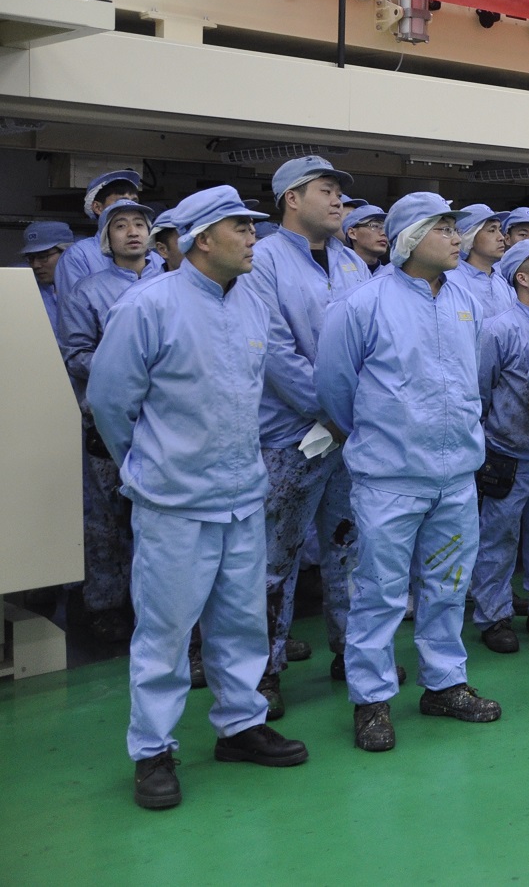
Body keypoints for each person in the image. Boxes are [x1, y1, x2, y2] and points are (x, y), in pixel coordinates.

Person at [87, 185, 307, 810]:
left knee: (242, 622)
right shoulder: (148, 306)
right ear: (202, 239)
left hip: (242, 494)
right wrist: (150, 467)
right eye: (241, 227)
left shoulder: (252, 304)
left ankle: (240, 726)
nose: (254, 237)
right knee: (165, 632)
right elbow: (109, 402)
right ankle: (152, 750)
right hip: (175, 502)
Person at [315, 192, 503, 752]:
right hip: (390, 478)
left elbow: (472, 379)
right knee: (379, 592)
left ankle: (444, 683)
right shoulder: (363, 305)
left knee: (448, 585)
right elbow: (334, 388)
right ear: (409, 239)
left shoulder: (464, 300)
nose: (456, 237)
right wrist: (379, 439)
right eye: (442, 227)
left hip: (455, 474)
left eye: (454, 227)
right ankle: (371, 700)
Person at [242, 155, 370, 717]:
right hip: (289, 437)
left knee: (349, 549)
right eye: (326, 189)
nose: (338, 199)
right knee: (276, 558)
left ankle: (352, 654)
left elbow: (371, 344)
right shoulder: (264, 261)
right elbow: (274, 352)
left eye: (340, 191)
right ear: (291, 199)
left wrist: (351, 415)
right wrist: (331, 410)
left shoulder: (352, 263)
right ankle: (264, 673)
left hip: (347, 435)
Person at [60, 200, 163, 641]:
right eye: (120, 226)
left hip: (162, 420)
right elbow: (75, 355)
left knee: (160, 518)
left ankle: (155, 608)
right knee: (107, 517)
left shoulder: (172, 282)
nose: (132, 232)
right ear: (106, 238)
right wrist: (125, 366)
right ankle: (104, 604)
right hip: (106, 422)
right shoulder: (87, 291)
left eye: (140, 223)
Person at [470, 238, 529, 652]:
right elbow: (479, 390)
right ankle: (494, 616)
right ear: (522, 278)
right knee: (498, 538)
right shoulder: (499, 329)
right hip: (508, 454)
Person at [55, 169, 164, 300]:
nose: (133, 232)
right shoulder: (78, 255)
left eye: (134, 201)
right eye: (121, 200)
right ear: (97, 207)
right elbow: (72, 306)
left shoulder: (156, 258)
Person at [453, 204, 514, 317]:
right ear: (469, 238)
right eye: (492, 230)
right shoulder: (450, 282)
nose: (501, 237)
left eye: (500, 230)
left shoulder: (503, 283)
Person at [22, 219, 74, 334]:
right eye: (30, 258)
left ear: (67, 252)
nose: (35, 265)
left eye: (43, 256)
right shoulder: (26, 294)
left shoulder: (85, 292)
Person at [342, 204, 388, 272]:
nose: (383, 233)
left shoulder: (390, 273)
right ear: (352, 233)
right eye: (375, 226)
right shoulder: (338, 270)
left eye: (386, 228)